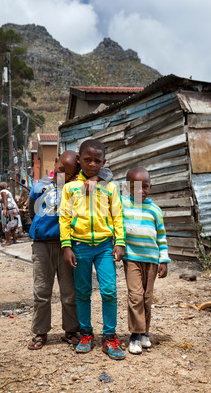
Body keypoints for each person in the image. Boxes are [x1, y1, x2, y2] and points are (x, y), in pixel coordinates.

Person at [27, 150, 113, 350]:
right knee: (41, 290)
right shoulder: (40, 185)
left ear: (76, 173)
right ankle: (40, 332)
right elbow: (33, 211)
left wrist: (94, 177)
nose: (62, 175)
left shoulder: (76, 186)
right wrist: (41, 229)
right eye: (60, 169)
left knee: (69, 292)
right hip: (42, 245)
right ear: (55, 161)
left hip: (68, 246)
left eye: (69, 173)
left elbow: (107, 172)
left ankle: (71, 330)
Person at [59, 139, 126, 360]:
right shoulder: (69, 188)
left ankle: (109, 337)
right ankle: (86, 334)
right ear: (79, 160)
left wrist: (120, 242)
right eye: (87, 160)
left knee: (109, 291)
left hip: (105, 246)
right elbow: (65, 218)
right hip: (80, 246)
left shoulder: (110, 187)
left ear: (103, 162)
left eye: (97, 161)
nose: (92, 164)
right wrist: (66, 246)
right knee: (83, 292)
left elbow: (118, 216)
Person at [122, 167, 171, 354]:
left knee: (147, 298)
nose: (141, 191)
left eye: (145, 187)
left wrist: (164, 260)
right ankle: (134, 335)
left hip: (151, 260)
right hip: (132, 258)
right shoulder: (123, 205)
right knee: (135, 296)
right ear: (128, 188)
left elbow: (161, 237)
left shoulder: (155, 210)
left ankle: (144, 333)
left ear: (150, 186)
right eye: (136, 187)